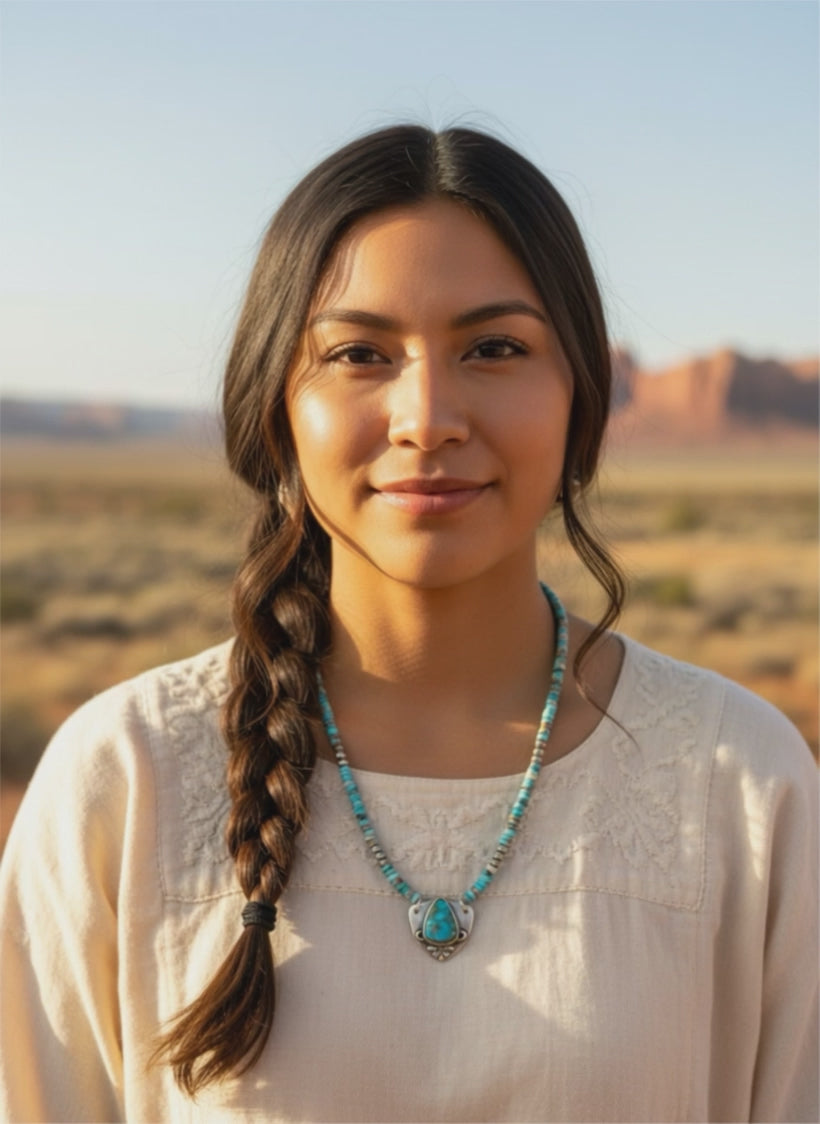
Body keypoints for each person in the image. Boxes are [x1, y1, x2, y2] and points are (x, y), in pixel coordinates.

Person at [0, 125, 816, 1124]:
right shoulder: (123, 778)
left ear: (582, 401)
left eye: (495, 347)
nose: (426, 414)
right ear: (275, 407)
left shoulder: (744, 783)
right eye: (358, 352)